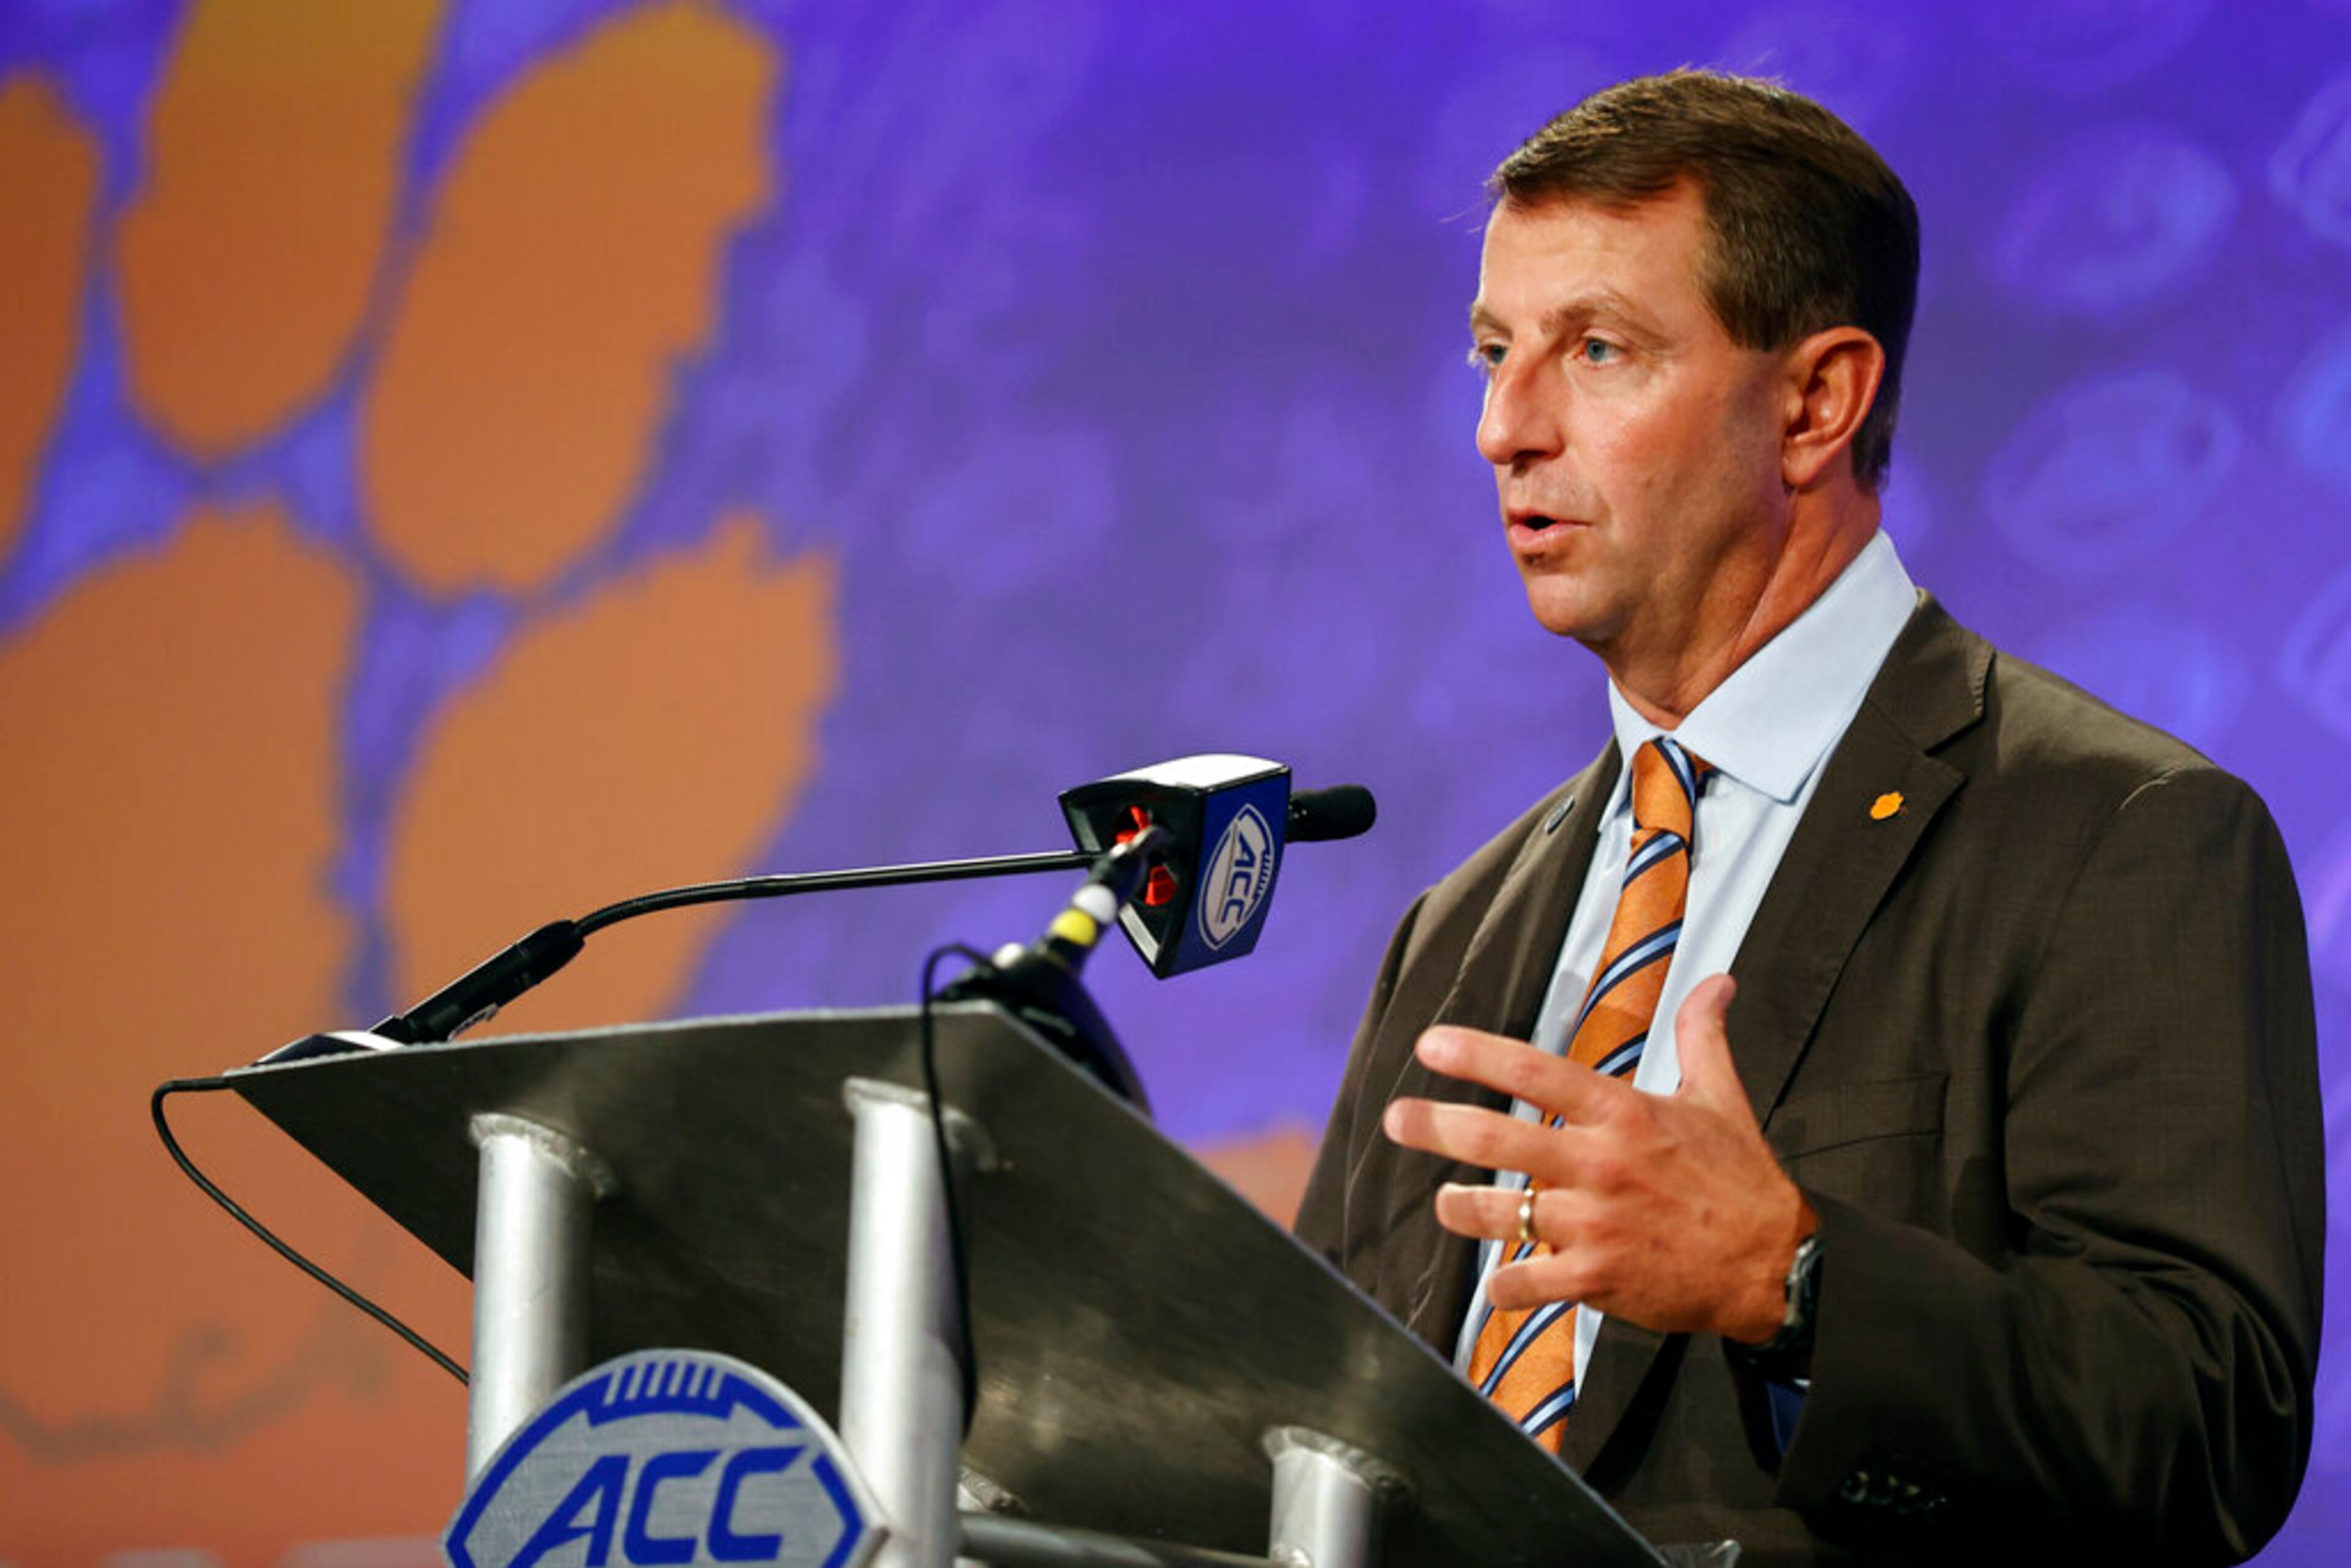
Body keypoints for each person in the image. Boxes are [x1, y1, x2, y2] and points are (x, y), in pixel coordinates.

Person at [1292, 70, 2322, 1566]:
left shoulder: (2123, 834)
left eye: (1596, 350)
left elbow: (2203, 1425)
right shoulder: (1456, 931)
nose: (1504, 430)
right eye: (1492, 352)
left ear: (1815, 401)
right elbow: (1323, 1435)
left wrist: (1796, 1278)